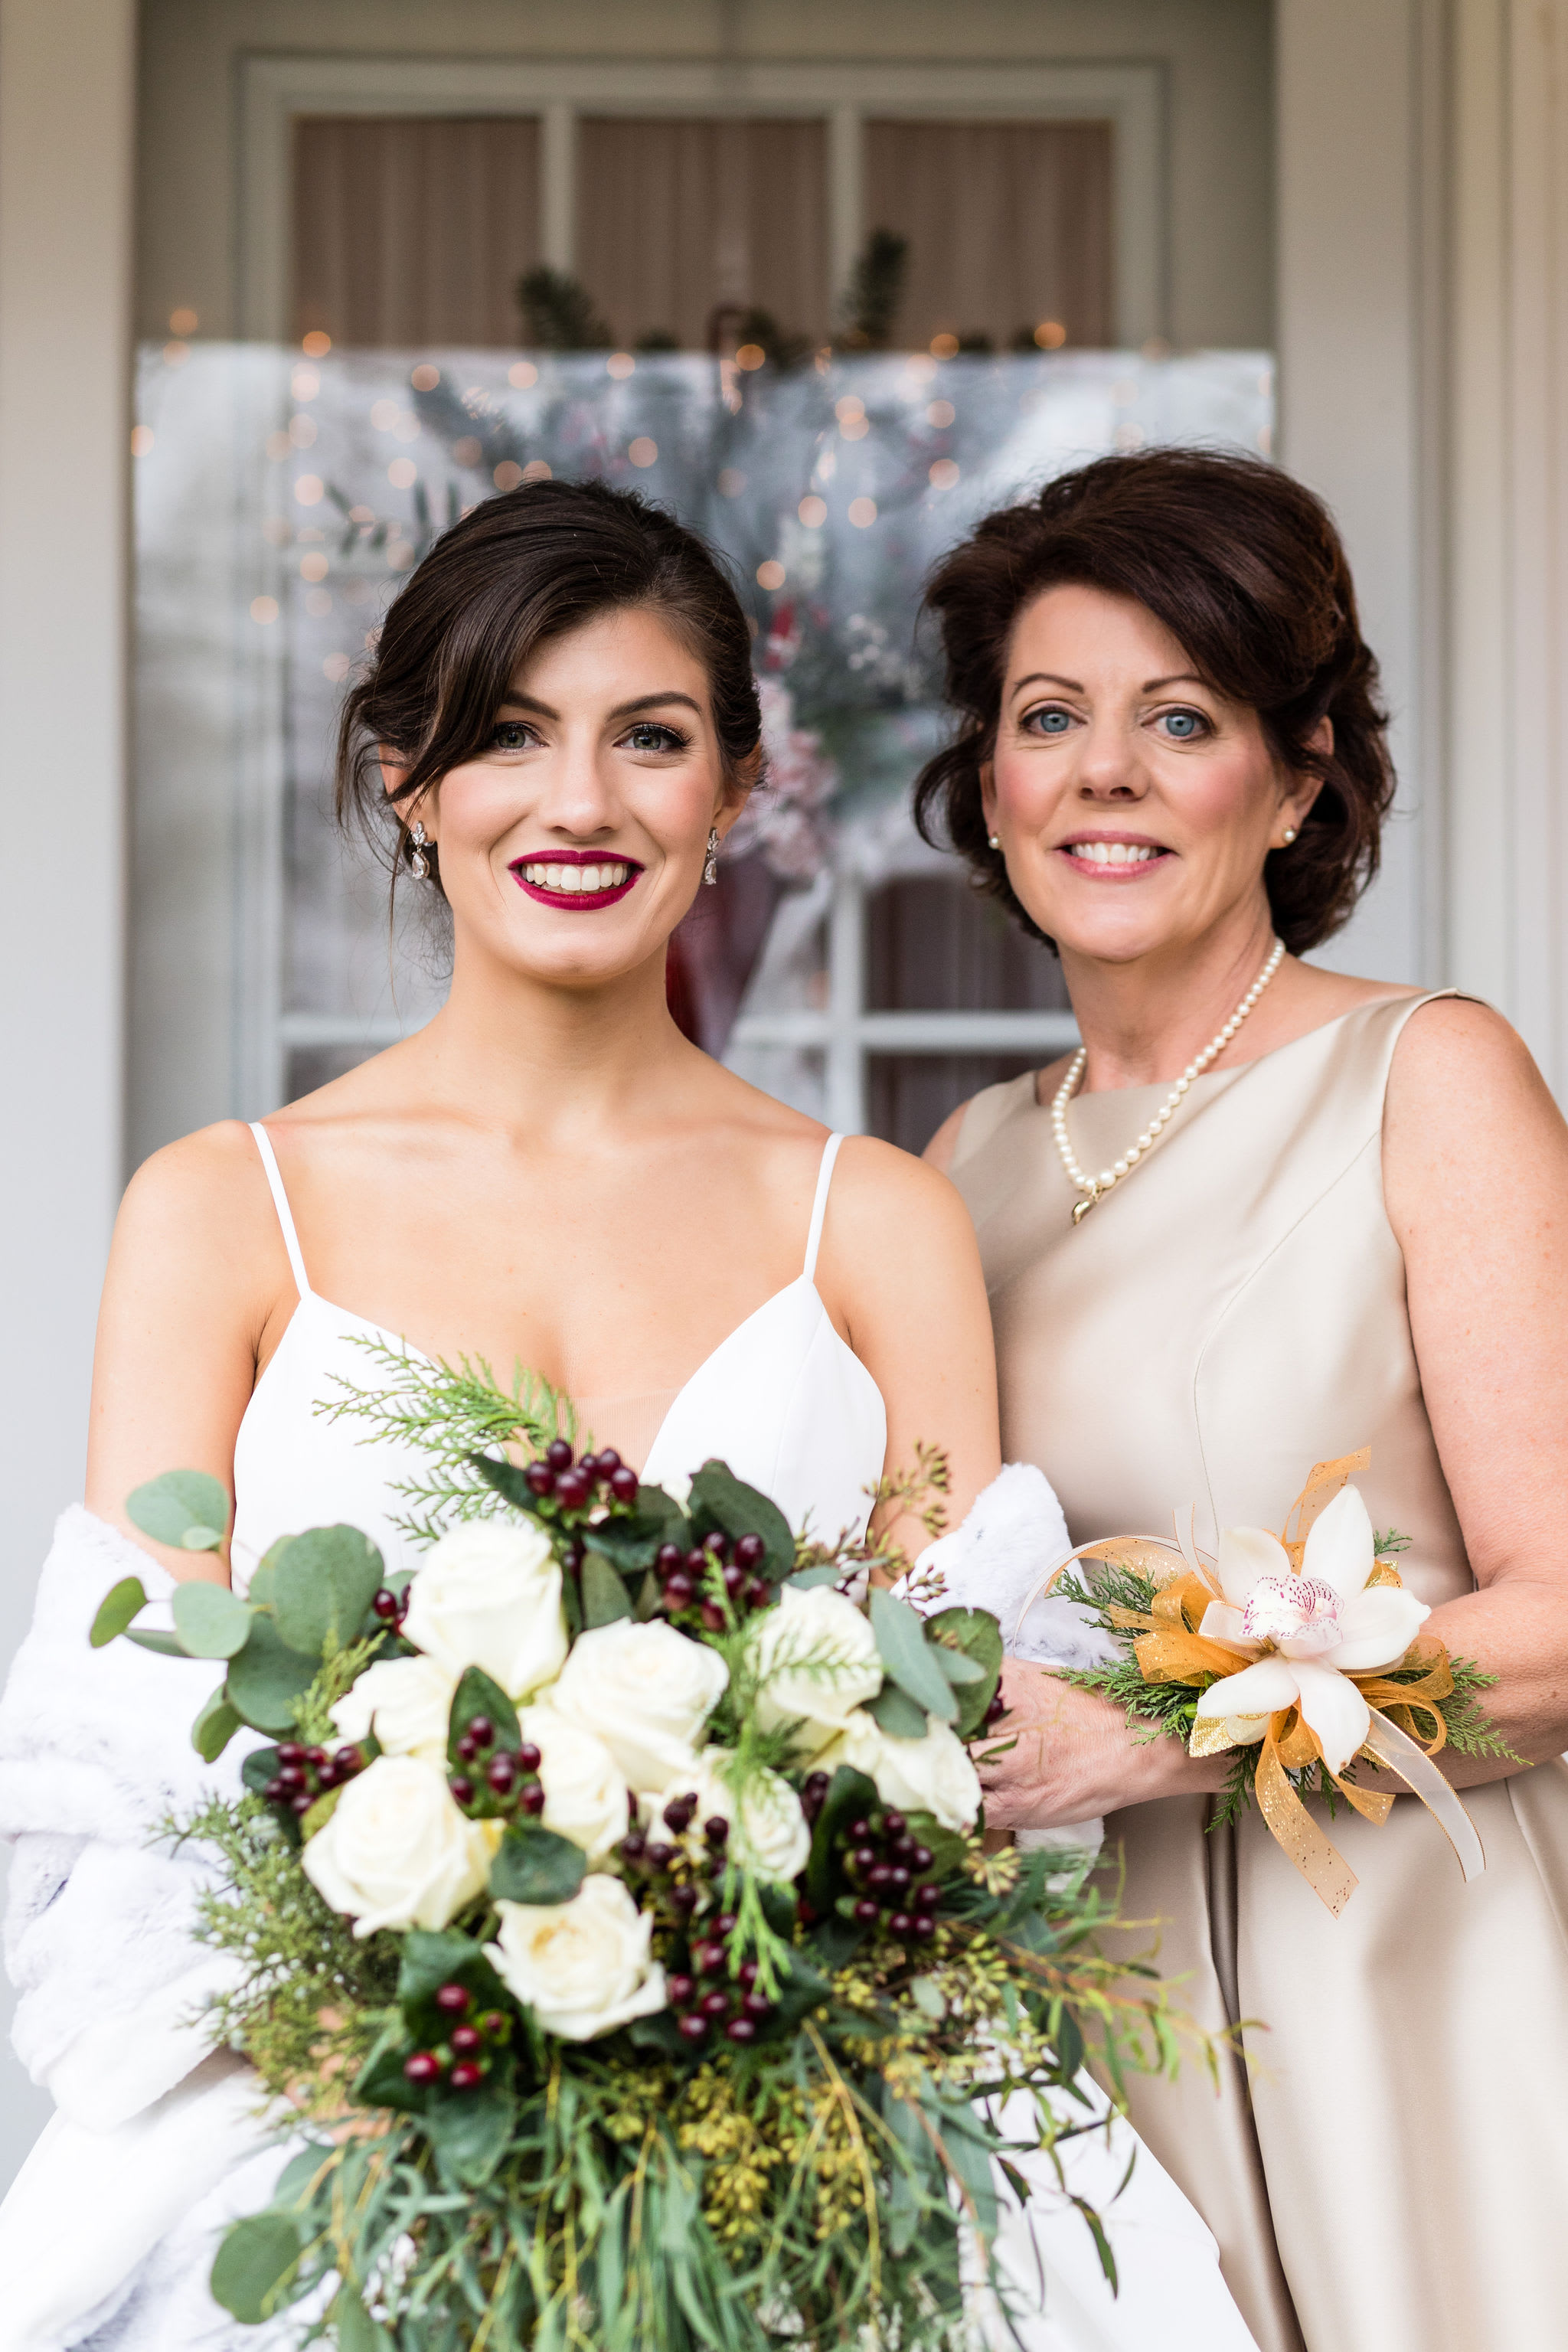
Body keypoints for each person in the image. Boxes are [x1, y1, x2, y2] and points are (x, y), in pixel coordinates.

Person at [3, 479, 1001, 2348]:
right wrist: (372, 2033)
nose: (581, 801)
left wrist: (730, 2010)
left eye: (652, 738)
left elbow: (972, 1723)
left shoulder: (879, 1222)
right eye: (511, 735)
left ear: (735, 788)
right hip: (320, 2127)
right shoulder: (218, 1208)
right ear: (408, 778)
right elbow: (116, 1756)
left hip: (782, 2132)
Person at [921, 449, 1568, 2352]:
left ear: (1295, 780)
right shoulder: (955, 1167)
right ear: (990, 782)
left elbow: (1564, 1628)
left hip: (1395, 1981)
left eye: (1181, 718)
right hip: (1073, 2025)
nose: (1103, 772)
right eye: (1050, 717)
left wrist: (1161, 1734)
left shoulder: (1426, 1077)